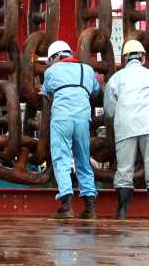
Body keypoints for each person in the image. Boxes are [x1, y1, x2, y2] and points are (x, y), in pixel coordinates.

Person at [103, 39, 149, 220]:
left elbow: (109, 110)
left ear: (124, 59)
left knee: (124, 171)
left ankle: (122, 211)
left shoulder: (116, 78)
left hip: (125, 125)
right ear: (143, 58)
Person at [41, 39, 100, 219]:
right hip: (83, 119)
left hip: (62, 119)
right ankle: (90, 207)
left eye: (50, 60)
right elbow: (95, 91)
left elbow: (46, 91)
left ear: (57, 56)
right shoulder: (87, 70)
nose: (50, 64)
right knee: (83, 160)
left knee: (62, 159)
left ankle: (66, 206)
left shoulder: (51, 71)